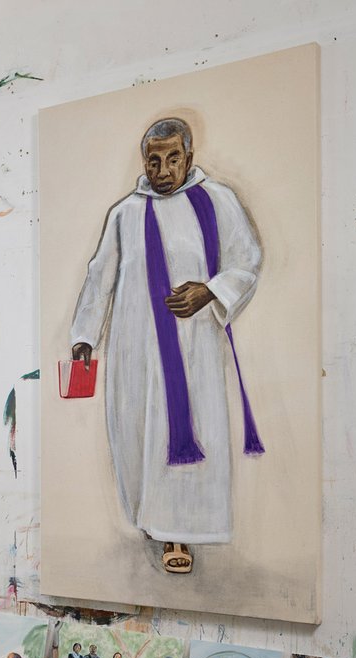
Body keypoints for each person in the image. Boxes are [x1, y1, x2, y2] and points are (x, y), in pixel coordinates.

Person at [69, 118, 263, 575]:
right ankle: (154, 523)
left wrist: (211, 291)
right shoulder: (125, 213)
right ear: (144, 162)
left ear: (189, 158)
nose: (162, 169)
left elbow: (247, 258)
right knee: (139, 434)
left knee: (189, 433)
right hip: (135, 350)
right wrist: (84, 336)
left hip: (194, 350)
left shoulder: (218, 200)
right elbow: (101, 277)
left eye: (173, 158)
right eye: (153, 160)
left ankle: (181, 532)